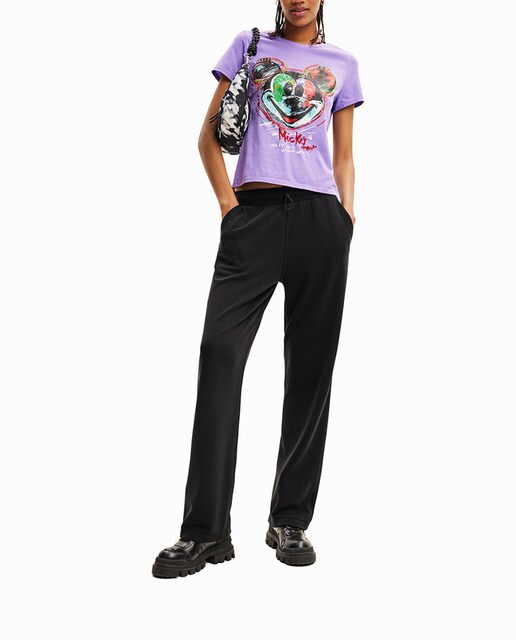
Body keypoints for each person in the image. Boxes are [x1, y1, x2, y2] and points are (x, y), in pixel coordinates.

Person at [152, 0, 364, 578]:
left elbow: (345, 154)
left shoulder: (342, 64)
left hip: (322, 222)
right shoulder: (249, 48)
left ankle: (289, 519)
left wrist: (347, 217)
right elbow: (207, 138)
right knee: (220, 354)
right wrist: (229, 208)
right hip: (254, 216)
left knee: (312, 368)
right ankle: (204, 532)